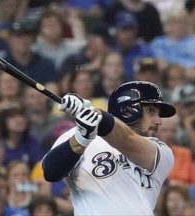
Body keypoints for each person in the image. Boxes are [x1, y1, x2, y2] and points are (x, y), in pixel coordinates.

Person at [42, 80, 177, 215]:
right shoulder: (76, 134)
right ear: (128, 110)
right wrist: (81, 139)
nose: (158, 121)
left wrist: (95, 114)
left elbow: (125, 139)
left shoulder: (162, 151)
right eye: (151, 111)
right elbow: (50, 172)